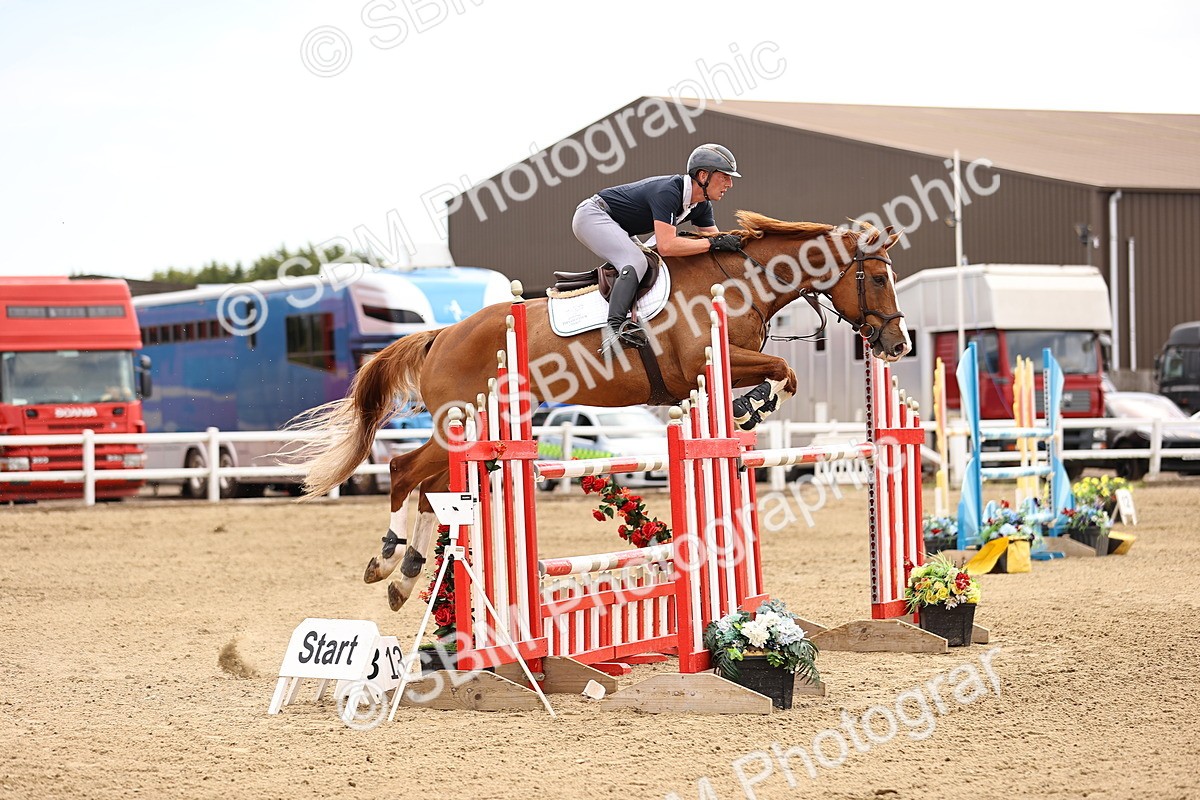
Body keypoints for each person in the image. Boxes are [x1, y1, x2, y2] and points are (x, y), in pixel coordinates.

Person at [572, 143, 744, 352]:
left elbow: (716, 241)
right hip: (592, 215)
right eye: (725, 176)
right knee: (636, 261)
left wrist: (738, 247)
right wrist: (713, 243)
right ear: (702, 175)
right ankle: (614, 328)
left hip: (619, 225)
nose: (730, 184)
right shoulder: (669, 191)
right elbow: (667, 246)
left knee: (651, 264)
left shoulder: (701, 206)